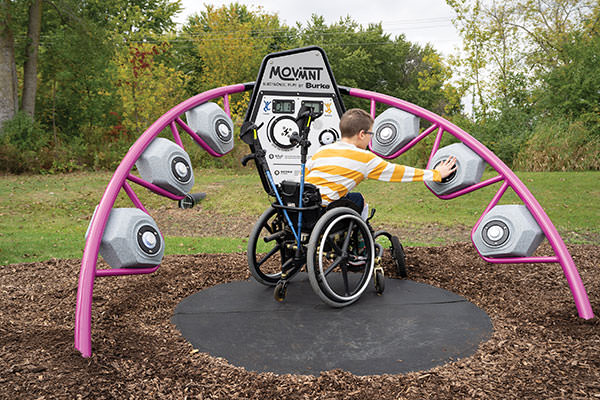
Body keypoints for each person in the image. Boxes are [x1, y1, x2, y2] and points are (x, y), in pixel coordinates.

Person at [305, 108, 457, 219]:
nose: (371, 139)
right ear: (362, 134)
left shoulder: (321, 151)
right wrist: (436, 174)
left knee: (349, 196)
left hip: (304, 207)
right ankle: (362, 244)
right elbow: (398, 172)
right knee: (358, 199)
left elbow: (303, 176)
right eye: (370, 134)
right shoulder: (364, 158)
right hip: (325, 211)